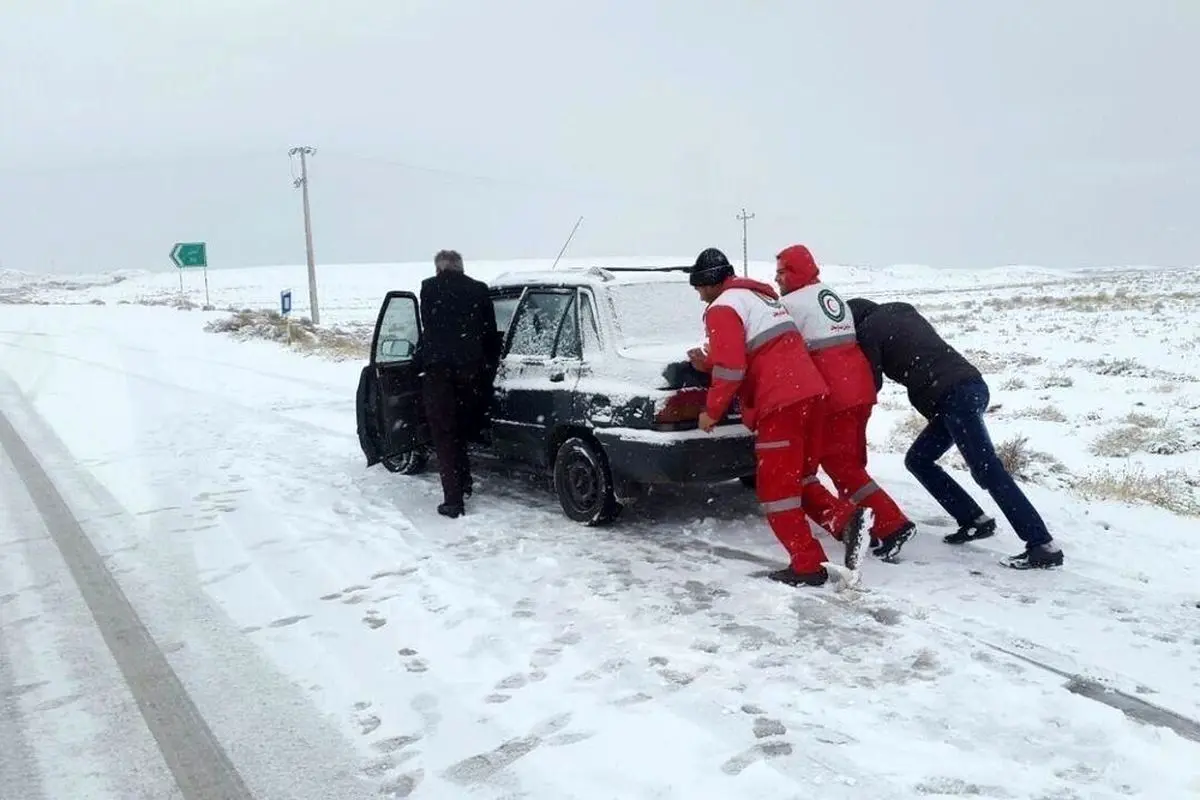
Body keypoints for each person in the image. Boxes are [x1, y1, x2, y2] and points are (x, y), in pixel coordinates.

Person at [685, 247, 867, 587]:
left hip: (779, 403)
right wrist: (707, 363)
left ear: (710, 283)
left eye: (698, 288)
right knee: (798, 477)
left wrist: (711, 413)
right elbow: (755, 351)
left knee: (775, 491)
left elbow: (731, 369)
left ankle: (808, 566)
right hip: (810, 393)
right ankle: (845, 521)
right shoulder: (760, 298)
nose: (699, 297)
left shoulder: (722, 307)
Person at [847, 297, 1064, 569]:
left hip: (952, 397)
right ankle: (974, 519)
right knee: (919, 460)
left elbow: (871, 383)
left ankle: (1042, 545)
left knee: (987, 469)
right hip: (970, 386)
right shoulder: (901, 309)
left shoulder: (868, 330)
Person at [774, 244, 916, 561]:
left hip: (835, 394)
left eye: (782, 272)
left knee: (841, 466)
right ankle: (868, 524)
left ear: (795, 271)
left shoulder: (792, 304)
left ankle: (892, 525)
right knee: (851, 463)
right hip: (859, 387)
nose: (777, 278)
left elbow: (779, 345)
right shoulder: (829, 294)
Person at [418, 249, 500, 518]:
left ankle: (453, 500)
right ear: (461, 267)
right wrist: (486, 366)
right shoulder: (479, 290)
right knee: (463, 428)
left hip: (439, 374)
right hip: (472, 372)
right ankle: (463, 482)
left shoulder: (429, 289)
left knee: (444, 434)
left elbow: (429, 328)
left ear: (439, 269)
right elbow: (490, 333)